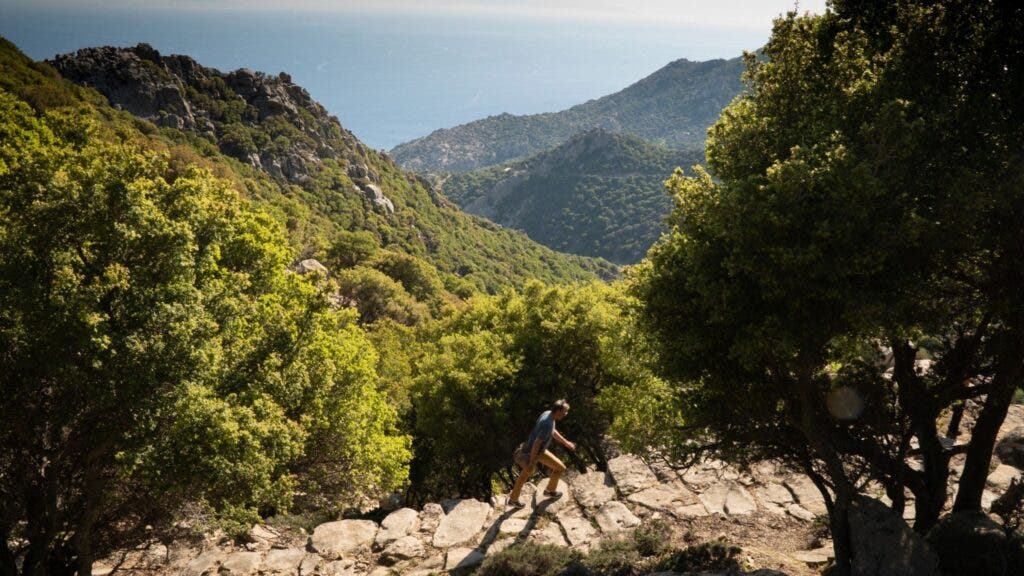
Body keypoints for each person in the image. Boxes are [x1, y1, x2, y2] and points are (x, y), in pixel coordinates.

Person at [508, 399, 576, 508]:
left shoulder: (548, 414)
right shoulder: (547, 424)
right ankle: (549, 491)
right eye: (564, 412)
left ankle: (514, 499)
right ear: (558, 411)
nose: (566, 414)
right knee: (559, 468)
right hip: (535, 452)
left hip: (535, 450)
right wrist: (531, 461)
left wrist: (566, 442)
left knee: (525, 475)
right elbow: (537, 443)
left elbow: (552, 431)